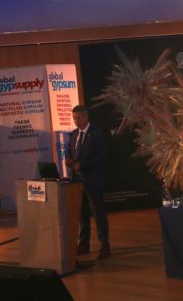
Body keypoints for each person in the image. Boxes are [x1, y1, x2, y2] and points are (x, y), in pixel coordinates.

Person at [66, 104, 110, 260]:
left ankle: (104, 245)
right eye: (74, 118)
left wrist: (82, 165)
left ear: (86, 117)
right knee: (82, 214)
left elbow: (101, 157)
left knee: (98, 214)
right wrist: (70, 161)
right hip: (77, 181)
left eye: (78, 118)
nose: (76, 121)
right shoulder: (73, 134)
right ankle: (83, 244)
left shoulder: (97, 134)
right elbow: (70, 153)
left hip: (93, 181)